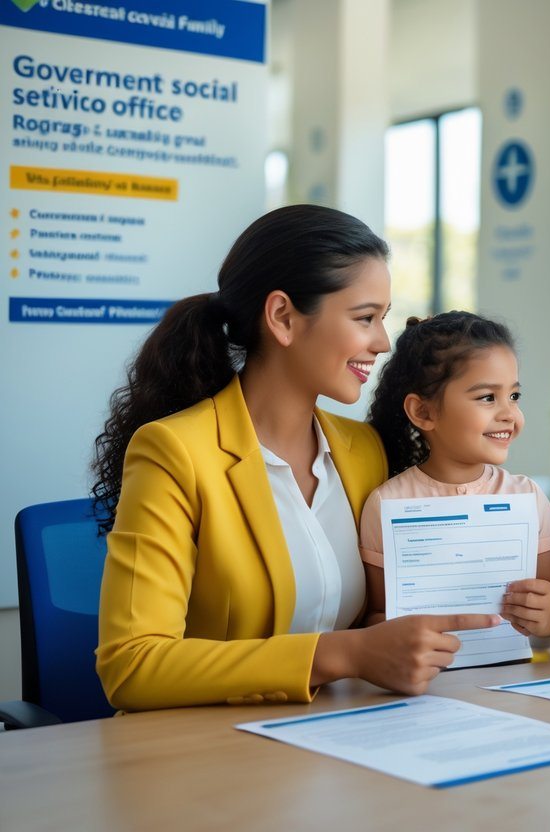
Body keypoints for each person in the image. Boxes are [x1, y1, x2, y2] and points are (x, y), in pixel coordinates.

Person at [93, 205, 498, 712]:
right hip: (212, 753)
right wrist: (344, 654)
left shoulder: (363, 450)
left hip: (344, 736)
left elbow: (382, 613)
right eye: (365, 317)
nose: (382, 342)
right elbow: (131, 666)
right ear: (283, 317)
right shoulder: (174, 452)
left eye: (383, 319)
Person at [361, 312, 550, 638]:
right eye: (488, 397)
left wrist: (547, 613)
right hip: (421, 684)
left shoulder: (527, 497)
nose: (509, 414)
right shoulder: (386, 503)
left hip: (511, 681)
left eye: (514, 396)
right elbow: (375, 615)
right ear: (423, 412)